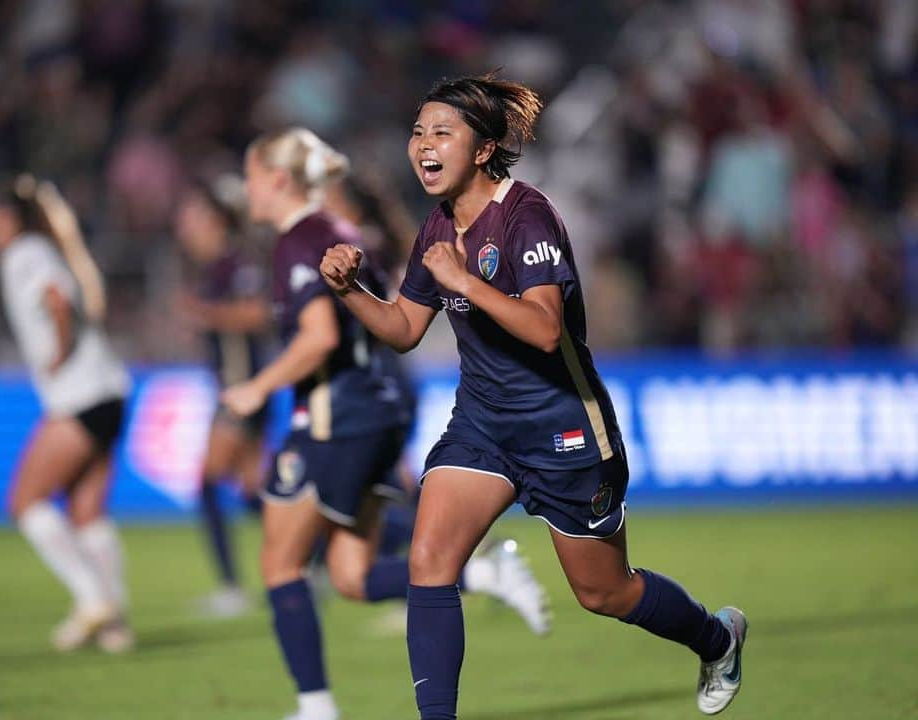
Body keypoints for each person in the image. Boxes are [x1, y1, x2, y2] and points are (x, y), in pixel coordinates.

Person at [320, 74, 747, 719]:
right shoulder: (437, 224)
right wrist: (353, 290)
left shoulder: (528, 216)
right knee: (430, 561)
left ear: (484, 149)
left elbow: (546, 330)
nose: (423, 146)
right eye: (417, 132)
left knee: (604, 592)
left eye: (442, 133)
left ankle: (717, 639)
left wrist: (464, 279)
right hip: (483, 427)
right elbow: (406, 330)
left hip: (565, 428)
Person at [222, 128, 549, 720]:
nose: (246, 189)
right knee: (349, 575)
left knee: (281, 565)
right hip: (376, 413)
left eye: (249, 176)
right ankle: (480, 571)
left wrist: (256, 388)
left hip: (333, 419)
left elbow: (320, 335)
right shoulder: (340, 231)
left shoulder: (301, 240)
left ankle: (315, 705)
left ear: (276, 179)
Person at [0, 175, 133, 653]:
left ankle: (93, 598)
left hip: (78, 394)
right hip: (108, 389)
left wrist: (60, 351)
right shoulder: (37, 248)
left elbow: (57, 299)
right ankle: (115, 624)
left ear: (2, 215)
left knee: (25, 501)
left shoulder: (23, 253)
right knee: (87, 512)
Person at [174, 177, 269, 618]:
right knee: (256, 492)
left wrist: (204, 313)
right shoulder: (211, 268)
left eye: (191, 218)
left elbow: (259, 314)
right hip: (233, 388)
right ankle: (317, 559)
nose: (183, 227)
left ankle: (231, 587)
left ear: (214, 220)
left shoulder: (236, 264)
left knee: (208, 482)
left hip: (243, 389)